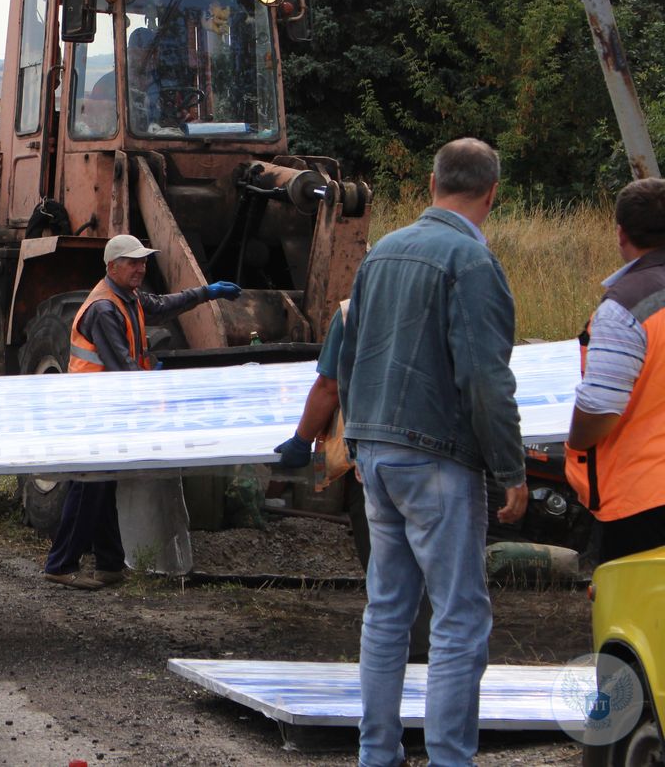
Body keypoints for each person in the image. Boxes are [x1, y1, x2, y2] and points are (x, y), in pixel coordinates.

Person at [338, 138, 529, 767]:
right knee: (458, 618)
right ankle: (449, 757)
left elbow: (349, 355)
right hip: (438, 457)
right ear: (492, 194)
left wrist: (358, 443)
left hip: (379, 456)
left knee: (387, 610)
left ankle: (377, 754)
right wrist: (509, 470)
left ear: (431, 182)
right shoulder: (471, 263)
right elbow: (485, 380)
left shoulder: (382, 253)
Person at [43, 234, 242, 590]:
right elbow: (122, 365)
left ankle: (109, 563)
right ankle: (60, 564)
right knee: (88, 486)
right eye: (133, 262)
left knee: (101, 486)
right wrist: (157, 388)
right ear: (112, 267)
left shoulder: (126, 297)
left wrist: (205, 293)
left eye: (143, 261)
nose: (140, 268)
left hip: (109, 408)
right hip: (94, 411)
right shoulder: (104, 309)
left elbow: (163, 305)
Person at [273, 302, 432, 663]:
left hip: (376, 457)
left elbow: (329, 387)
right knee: (434, 552)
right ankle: (439, 646)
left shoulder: (352, 311)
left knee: (387, 556)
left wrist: (302, 439)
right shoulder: (446, 296)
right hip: (438, 452)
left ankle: (407, 650)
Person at [566, 177, 665, 564]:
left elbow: (600, 409)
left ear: (621, 234)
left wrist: (574, 443)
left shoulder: (624, 309)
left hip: (643, 500)